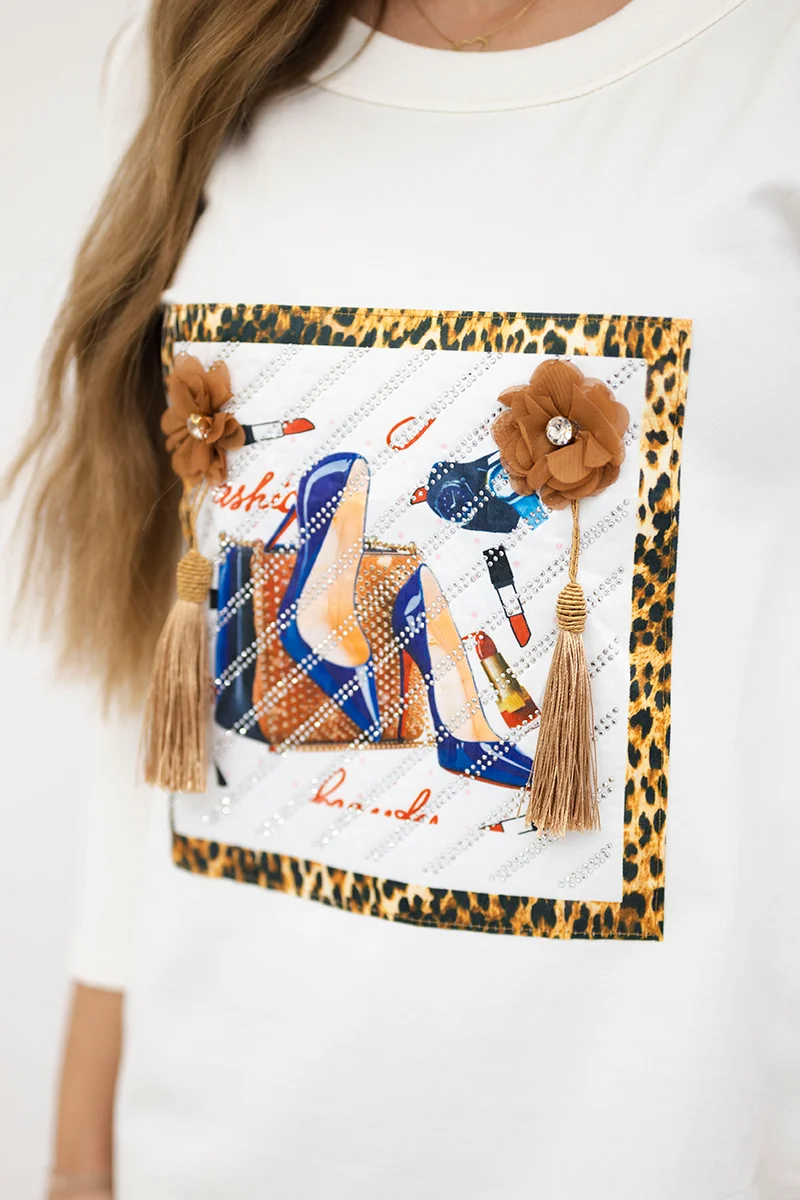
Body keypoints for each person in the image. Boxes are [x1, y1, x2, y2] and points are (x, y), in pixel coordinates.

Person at [11, 1, 800, 1197]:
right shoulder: (217, 50)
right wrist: (78, 1164)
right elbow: (153, 734)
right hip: (211, 1143)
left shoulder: (762, 67)